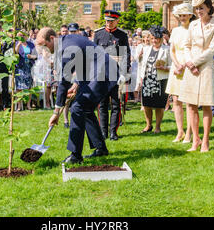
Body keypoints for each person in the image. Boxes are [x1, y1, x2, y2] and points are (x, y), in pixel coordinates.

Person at [36, 27, 116, 164]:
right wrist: (77, 84)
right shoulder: (68, 41)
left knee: (78, 107)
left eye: (45, 46)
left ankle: (75, 155)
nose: (45, 50)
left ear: (51, 39)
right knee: (85, 108)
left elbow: (63, 81)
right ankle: (100, 148)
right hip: (96, 72)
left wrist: (56, 112)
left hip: (103, 73)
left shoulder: (65, 49)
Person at [178, 0, 214, 153]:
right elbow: (186, 45)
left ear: (209, 7)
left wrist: (194, 63)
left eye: (201, 8)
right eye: (196, 9)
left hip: (205, 68)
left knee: (205, 105)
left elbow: (212, 49)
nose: (198, 11)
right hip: (191, 67)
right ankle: (195, 139)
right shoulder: (193, 25)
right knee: (190, 105)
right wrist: (189, 63)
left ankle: (205, 140)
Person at [94, 10, 131, 141]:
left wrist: (124, 73)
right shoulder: (98, 34)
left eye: (111, 21)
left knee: (116, 104)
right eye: (107, 21)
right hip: (102, 75)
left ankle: (113, 132)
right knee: (102, 105)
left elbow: (126, 54)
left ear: (117, 21)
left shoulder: (122, 35)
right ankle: (103, 132)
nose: (108, 23)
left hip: (116, 74)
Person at [165, 3, 194, 143]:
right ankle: (180, 131)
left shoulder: (194, 28)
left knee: (188, 101)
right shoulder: (175, 30)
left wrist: (185, 64)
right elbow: (172, 50)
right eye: (180, 15)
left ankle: (189, 132)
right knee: (176, 100)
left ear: (190, 15)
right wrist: (176, 64)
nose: (182, 18)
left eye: (185, 15)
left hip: (189, 65)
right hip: (176, 67)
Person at [139, 26, 171, 134]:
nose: (154, 41)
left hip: (160, 80)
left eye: (156, 39)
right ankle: (148, 125)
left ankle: (158, 127)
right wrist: (140, 78)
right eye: (152, 38)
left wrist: (165, 68)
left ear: (161, 39)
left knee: (159, 105)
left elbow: (173, 66)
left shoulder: (167, 50)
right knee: (146, 104)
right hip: (147, 79)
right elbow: (142, 65)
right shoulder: (146, 49)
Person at [15, 31, 37, 111]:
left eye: (23, 35)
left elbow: (36, 55)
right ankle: (19, 106)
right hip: (20, 67)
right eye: (20, 35)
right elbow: (15, 53)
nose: (22, 37)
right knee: (19, 87)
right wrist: (19, 44)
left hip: (29, 67)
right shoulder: (16, 43)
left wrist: (31, 56)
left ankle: (28, 105)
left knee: (29, 87)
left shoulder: (31, 44)